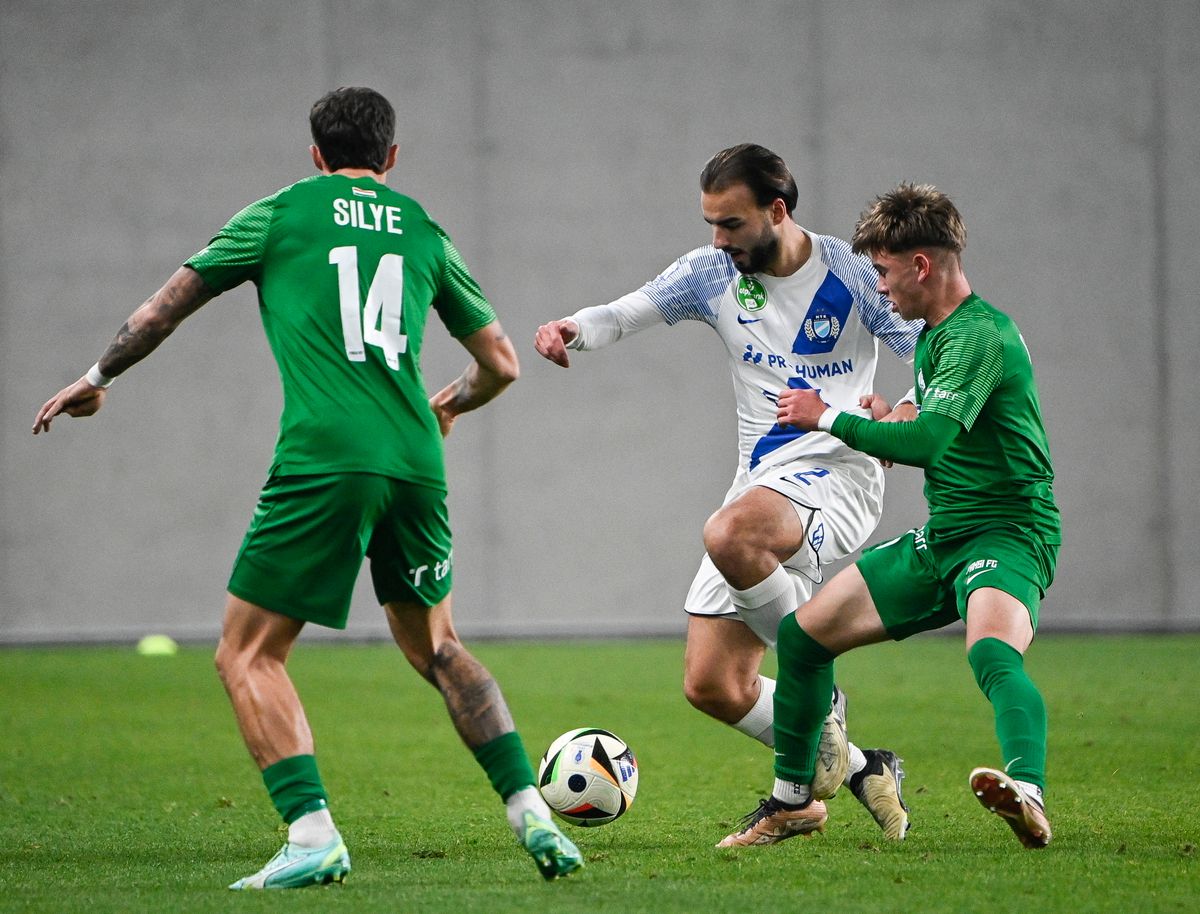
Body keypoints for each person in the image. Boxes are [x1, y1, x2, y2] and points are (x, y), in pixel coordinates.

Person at [32, 86, 583, 887]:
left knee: (246, 653)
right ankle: (530, 810)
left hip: (327, 455)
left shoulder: (282, 213)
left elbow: (162, 311)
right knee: (439, 646)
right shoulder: (424, 228)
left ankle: (312, 832)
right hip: (415, 457)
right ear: (391, 158)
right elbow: (502, 363)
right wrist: (448, 403)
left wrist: (95, 376)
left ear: (316, 154)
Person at [535, 144, 923, 840]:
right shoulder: (711, 274)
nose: (719, 239)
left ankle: (818, 694)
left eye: (732, 224)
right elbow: (626, 312)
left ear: (778, 211)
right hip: (763, 484)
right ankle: (858, 771)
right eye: (711, 222)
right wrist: (573, 330)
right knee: (714, 685)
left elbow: (934, 348)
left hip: (840, 473)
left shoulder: (854, 276)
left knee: (728, 534)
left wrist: (903, 413)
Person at [718, 182, 1061, 849]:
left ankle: (1029, 792)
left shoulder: (979, 335)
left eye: (881, 271)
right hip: (943, 538)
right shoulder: (941, 336)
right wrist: (890, 413)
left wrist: (832, 417)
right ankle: (793, 801)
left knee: (991, 650)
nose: (877, 287)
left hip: (1008, 531)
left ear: (921, 265)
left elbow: (928, 443)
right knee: (803, 639)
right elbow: (931, 420)